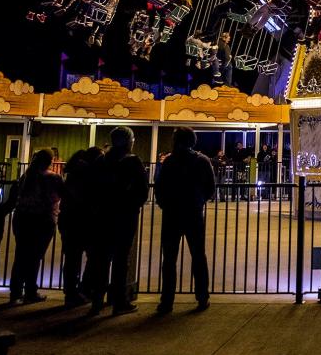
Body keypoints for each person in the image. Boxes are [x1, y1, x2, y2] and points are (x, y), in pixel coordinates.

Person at [154, 127, 217, 314]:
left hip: (172, 213)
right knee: (198, 255)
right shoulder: (202, 161)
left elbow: (160, 187)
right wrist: (199, 200)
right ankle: (202, 296)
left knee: (169, 259)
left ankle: (167, 300)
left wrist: (165, 204)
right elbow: (210, 188)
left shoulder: (169, 162)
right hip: (193, 213)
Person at [87, 127, 148, 315]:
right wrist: (132, 204)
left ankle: (97, 300)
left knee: (101, 259)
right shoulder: (132, 162)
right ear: (129, 141)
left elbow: (91, 187)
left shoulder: (101, 161)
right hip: (124, 215)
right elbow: (142, 191)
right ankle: (119, 301)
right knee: (121, 259)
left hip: (102, 215)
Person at [9, 149, 65, 304]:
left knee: (21, 255)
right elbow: (63, 195)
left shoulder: (25, 177)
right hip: (43, 219)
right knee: (34, 257)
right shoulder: (53, 178)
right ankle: (30, 291)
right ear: (50, 161)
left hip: (22, 218)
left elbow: (15, 196)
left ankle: (15, 292)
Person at [60, 149, 97, 307]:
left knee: (71, 258)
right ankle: (84, 289)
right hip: (83, 220)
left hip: (68, 220)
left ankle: (71, 291)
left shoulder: (72, 174)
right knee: (93, 256)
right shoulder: (88, 175)